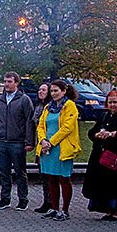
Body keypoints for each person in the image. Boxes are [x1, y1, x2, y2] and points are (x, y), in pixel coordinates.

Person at [82, 90, 117, 221]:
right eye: (110, 102)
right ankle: (108, 209)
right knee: (104, 184)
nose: (112, 105)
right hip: (102, 155)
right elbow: (92, 132)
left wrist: (113, 134)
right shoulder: (104, 116)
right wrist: (97, 135)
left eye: (115, 102)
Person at [0, 72, 37, 211]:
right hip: (1, 141)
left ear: (16, 83)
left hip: (17, 142)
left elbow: (29, 122)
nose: (7, 84)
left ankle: (23, 199)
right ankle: (5, 199)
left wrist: (29, 142)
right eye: (5, 81)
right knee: (4, 172)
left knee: (20, 172)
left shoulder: (24, 100)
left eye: (9, 81)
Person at [36, 79, 81, 221]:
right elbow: (41, 125)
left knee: (64, 178)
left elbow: (67, 127)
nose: (53, 93)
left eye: (56, 91)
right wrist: (43, 140)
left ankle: (65, 210)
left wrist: (51, 142)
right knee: (51, 178)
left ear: (64, 91)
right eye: (52, 91)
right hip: (47, 148)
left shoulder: (70, 105)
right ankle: (54, 208)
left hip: (61, 148)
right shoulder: (48, 107)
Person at [31, 82, 53, 213]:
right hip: (39, 143)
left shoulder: (52, 107)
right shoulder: (38, 106)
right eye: (39, 89)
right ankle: (47, 201)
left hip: (49, 143)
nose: (40, 92)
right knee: (43, 174)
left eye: (44, 90)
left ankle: (52, 202)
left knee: (50, 175)